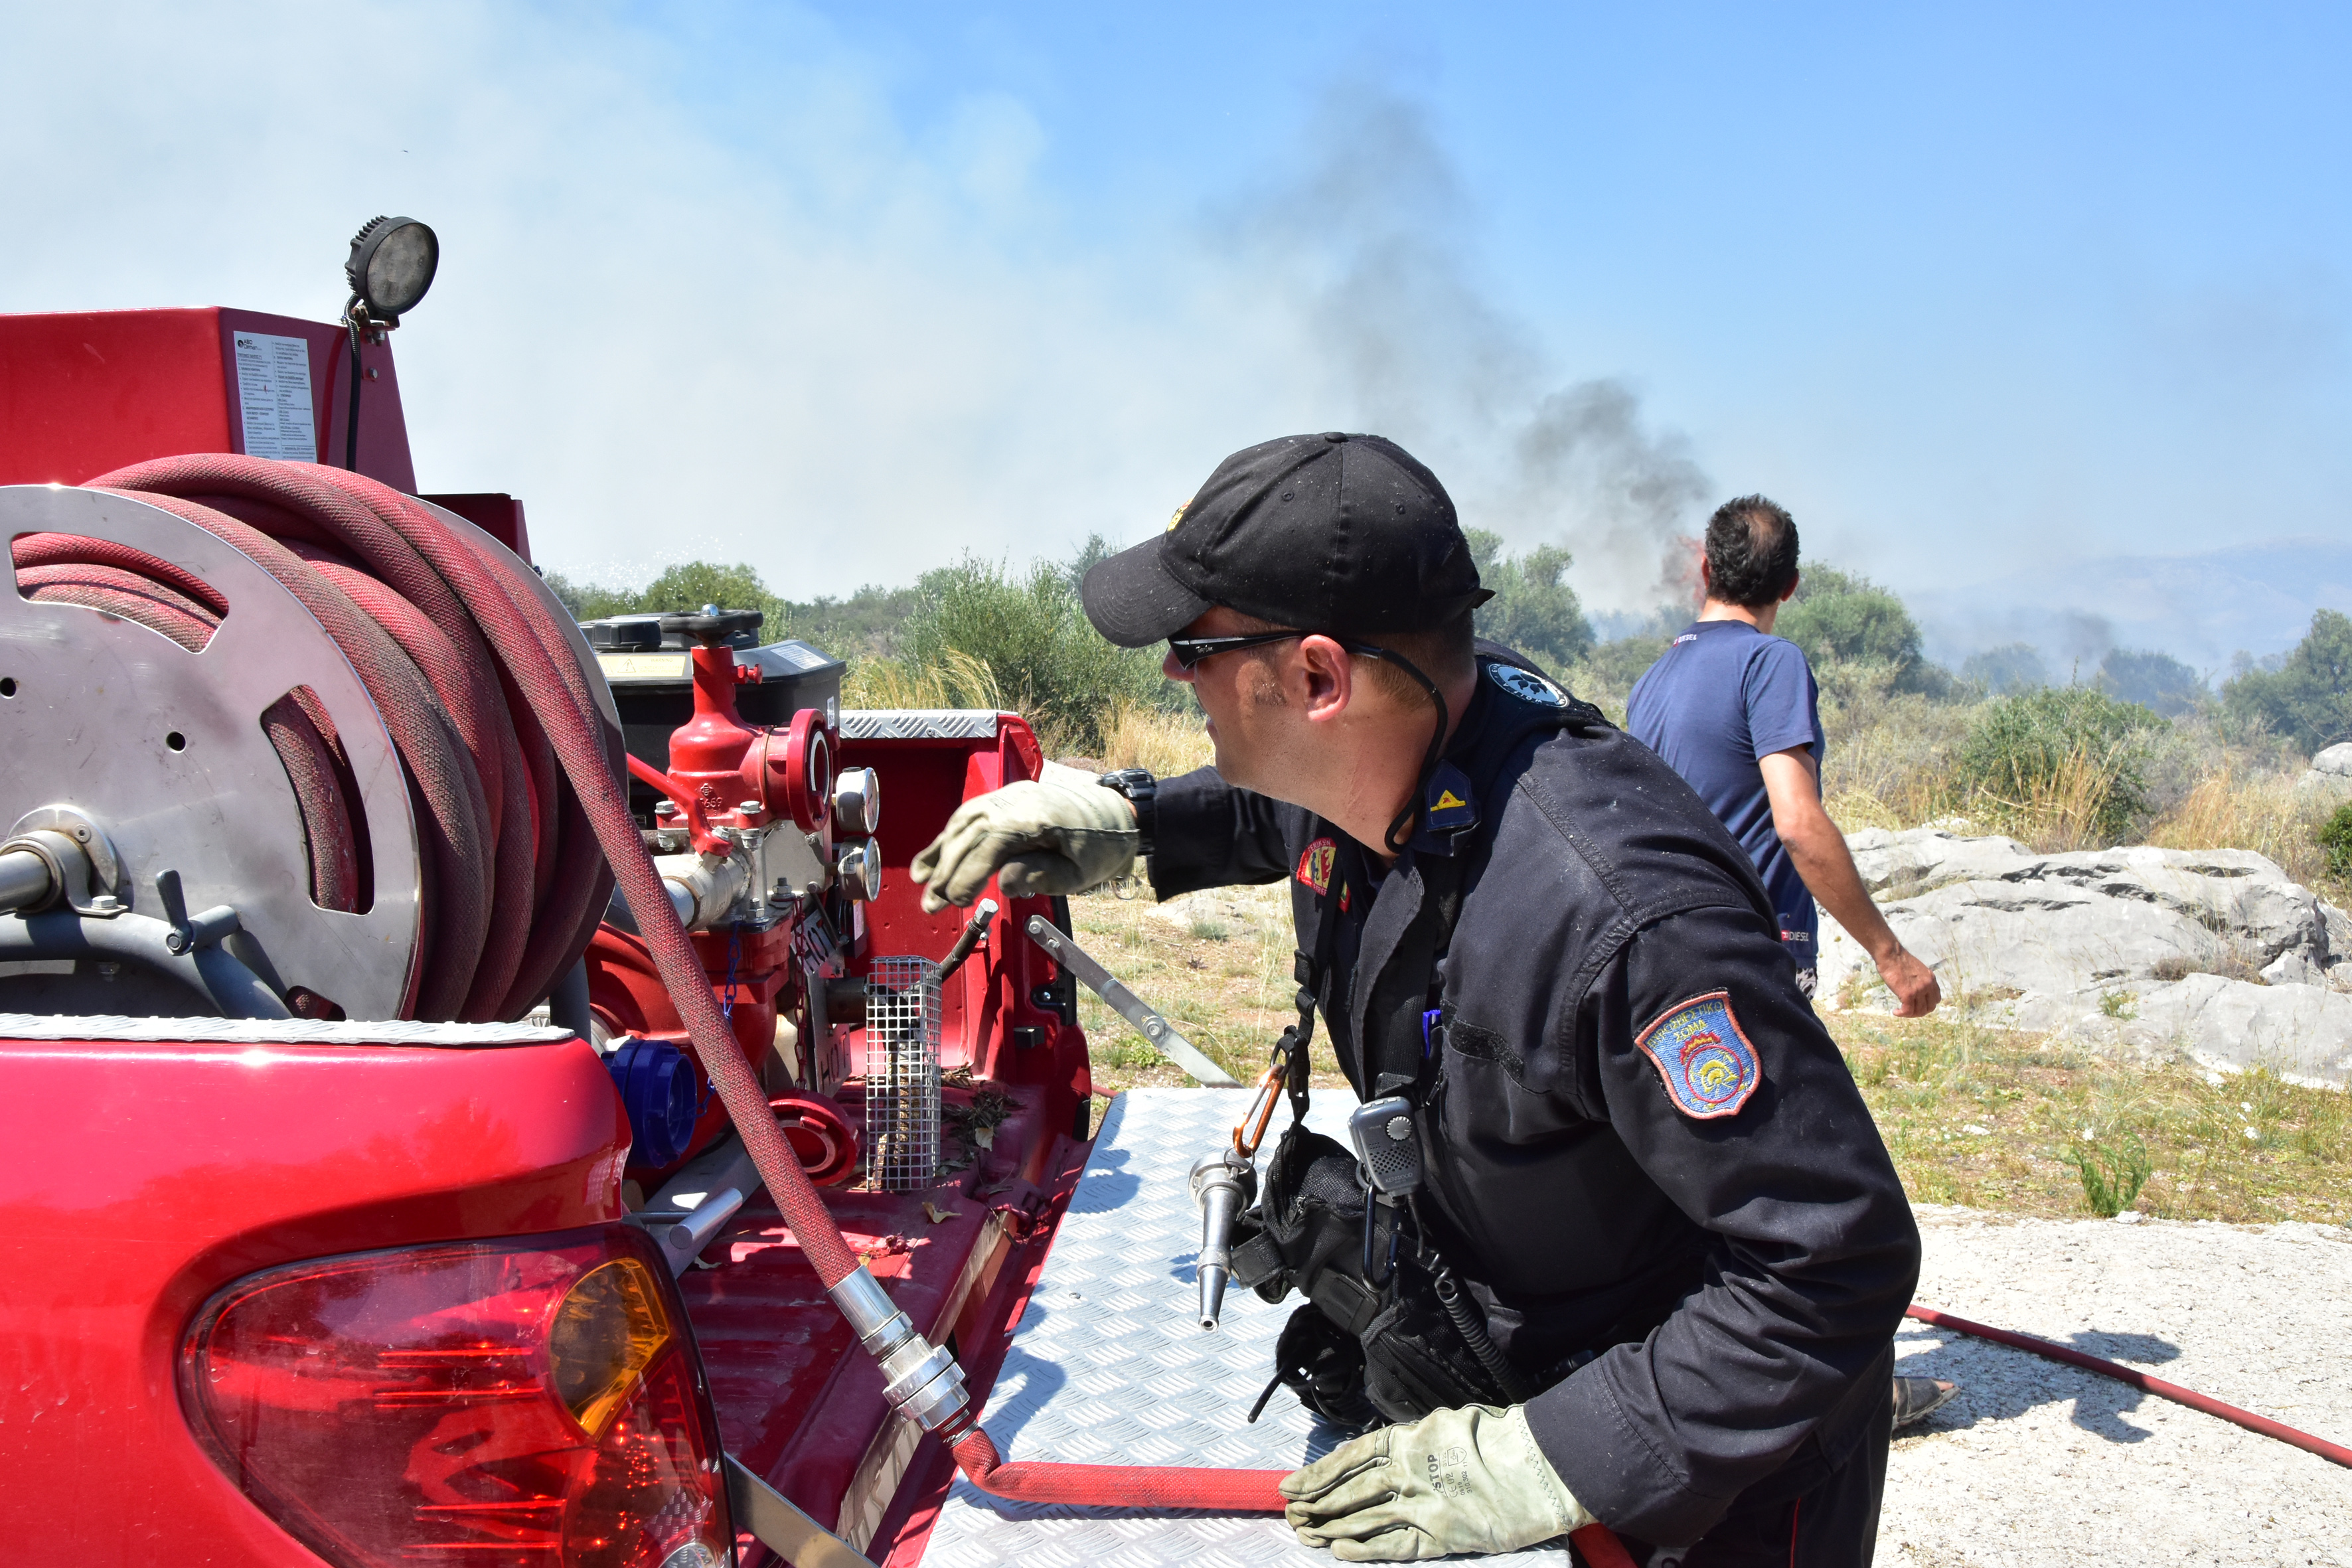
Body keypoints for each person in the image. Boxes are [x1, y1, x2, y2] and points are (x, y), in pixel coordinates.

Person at [911, 432, 1920, 1565]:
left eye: (1194, 647)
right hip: (1536, 1346)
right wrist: (1136, 821)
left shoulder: (1623, 918)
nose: (1173, 676)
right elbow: (1286, 803)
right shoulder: (1409, 735)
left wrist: (1554, 1458)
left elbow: (1835, 1260)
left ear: (1318, 679)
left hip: (1712, 1471)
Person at [1625, 494, 1954, 1434]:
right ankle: (1844, 1400)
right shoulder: (1772, 663)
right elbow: (1798, 822)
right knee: (1813, 1192)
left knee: (1700, 1184)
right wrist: (1890, 954)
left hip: (1664, 960)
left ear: (1705, 571)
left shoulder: (1656, 677)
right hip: (1752, 961)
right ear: (1793, 585)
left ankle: (1691, 1379)